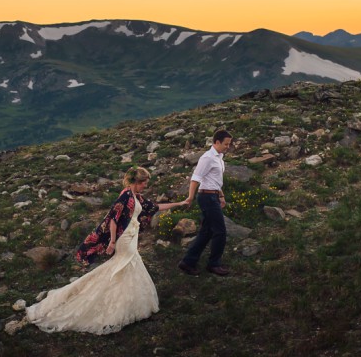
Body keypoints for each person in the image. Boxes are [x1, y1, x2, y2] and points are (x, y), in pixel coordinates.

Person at [25, 166, 188, 334]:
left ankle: (128, 304)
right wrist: (111, 241)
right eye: (144, 182)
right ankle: (116, 307)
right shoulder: (126, 196)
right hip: (124, 238)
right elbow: (113, 219)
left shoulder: (135, 196)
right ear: (136, 182)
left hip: (132, 235)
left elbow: (153, 207)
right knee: (126, 264)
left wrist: (179, 203)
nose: (146, 185)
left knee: (126, 266)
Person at [178, 129, 233, 276]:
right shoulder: (207, 157)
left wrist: (221, 196)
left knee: (207, 232)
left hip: (213, 195)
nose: (228, 147)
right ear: (217, 142)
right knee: (220, 231)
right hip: (206, 197)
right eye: (226, 144)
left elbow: (214, 180)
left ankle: (188, 262)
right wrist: (190, 197)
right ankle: (214, 264)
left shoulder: (219, 157)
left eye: (229, 144)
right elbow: (195, 178)